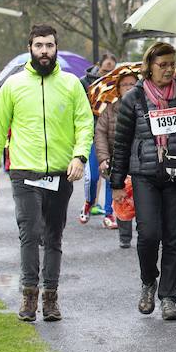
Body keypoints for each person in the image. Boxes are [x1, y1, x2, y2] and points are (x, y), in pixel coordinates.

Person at [0, 25, 93, 322]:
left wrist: (79, 156)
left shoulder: (71, 84)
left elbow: (85, 124)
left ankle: (51, 298)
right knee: (29, 233)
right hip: (23, 172)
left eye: (50, 45)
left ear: (56, 48)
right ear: (30, 47)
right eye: (39, 45)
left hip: (60, 172)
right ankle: (29, 295)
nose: (45, 50)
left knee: (54, 236)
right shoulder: (13, 85)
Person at [111, 42, 176, 321]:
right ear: (149, 66)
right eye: (162, 64)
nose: (168, 69)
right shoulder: (134, 99)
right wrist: (117, 183)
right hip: (145, 174)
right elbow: (121, 143)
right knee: (150, 234)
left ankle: (168, 297)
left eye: (172, 64)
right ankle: (148, 282)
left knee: (174, 238)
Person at [95, 72, 138, 249]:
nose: (128, 87)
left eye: (132, 84)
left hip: (141, 161)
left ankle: (146, 234)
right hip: (118, 161)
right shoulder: (110, 110)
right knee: (122, 198)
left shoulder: (147, 106)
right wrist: (104, 158)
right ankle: (125, 236)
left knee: (145, 199)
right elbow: (100, 134)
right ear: (118, 89)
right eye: (125, 84)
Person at [80, 52, 118, 227]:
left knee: (111, 177)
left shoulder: (116, 84)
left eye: (111, 68)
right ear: (99, 65)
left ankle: (110, 214)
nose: (108, 72)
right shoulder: (85, 83)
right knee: (94, 176)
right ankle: (89, 202)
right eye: (105, 68)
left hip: (113, 134)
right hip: (94, 134)